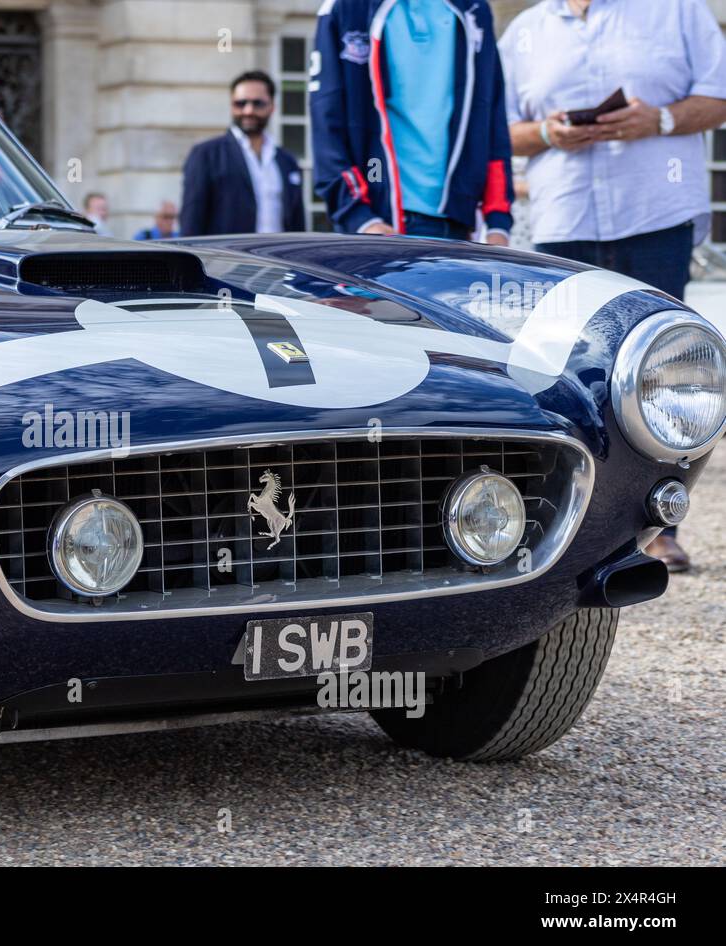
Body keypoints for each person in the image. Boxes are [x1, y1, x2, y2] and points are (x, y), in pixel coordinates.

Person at [500, 0, 726, 573]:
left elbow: (718, 97)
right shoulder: (525, 32)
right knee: (564, 381)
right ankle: (568, 530)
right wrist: (548, 131)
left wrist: (661, 121)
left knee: (661, 379)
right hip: (562, 224)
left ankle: (659, 525)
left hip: (655, 216)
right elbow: (499, 133)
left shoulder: (678, 11)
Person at [310, 0, 513, 243]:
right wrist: (359, 217)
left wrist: (497, 221)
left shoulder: (474, 9)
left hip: (458, 225)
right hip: (378, 223)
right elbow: (326, 124)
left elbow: (494, 120)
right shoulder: (347, 7)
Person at [179, 70, 306, 236]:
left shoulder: (287, 161)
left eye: (257, 103)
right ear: (232, 106)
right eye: (241, 103)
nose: (248, 110)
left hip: (278, 261)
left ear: (272, 107)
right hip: (226, 260)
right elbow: (191, 223)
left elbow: (298, 227)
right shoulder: (205, 155)